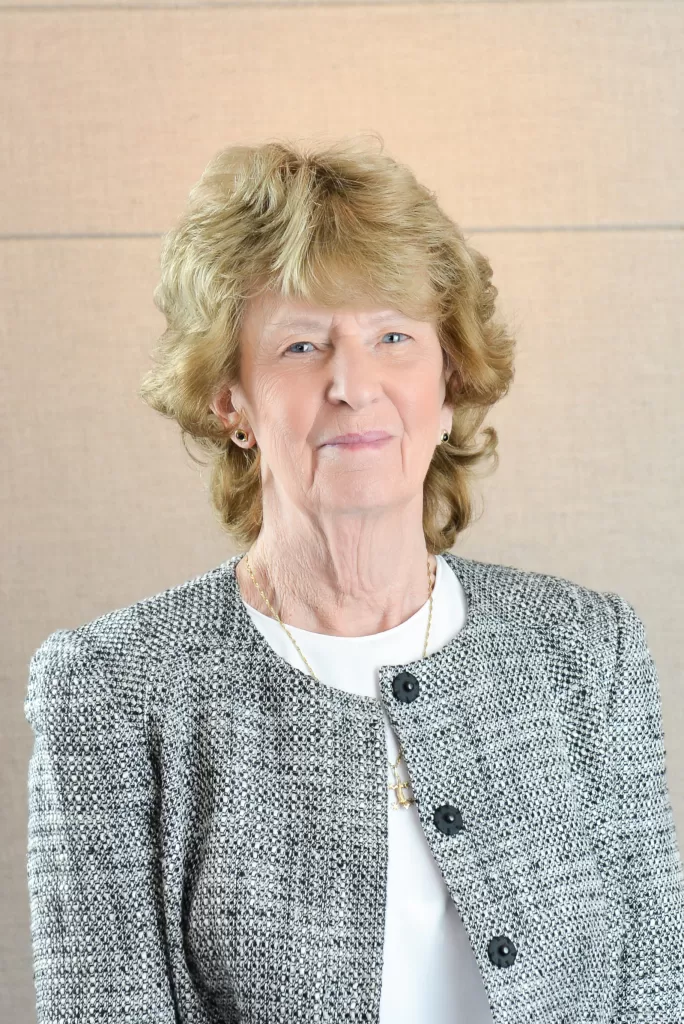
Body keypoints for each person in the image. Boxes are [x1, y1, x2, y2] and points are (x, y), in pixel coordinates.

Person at [25, 135, 684, 1024]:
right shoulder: (116, 687)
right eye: (301, 346)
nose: (353, 384)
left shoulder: (585, 649)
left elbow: (653, 990)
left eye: (392, 338)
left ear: (449, 381)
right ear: (231, 400)